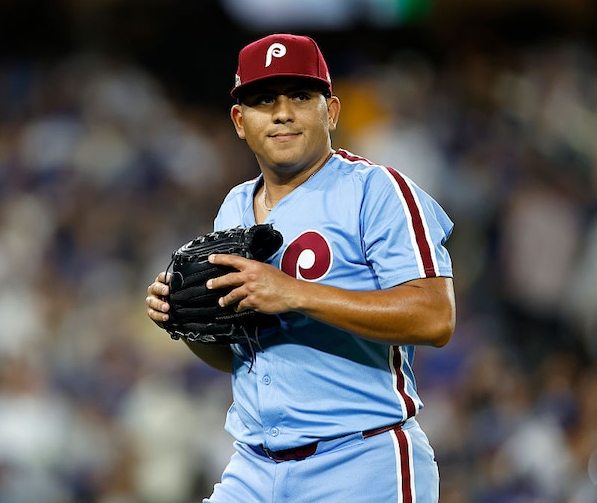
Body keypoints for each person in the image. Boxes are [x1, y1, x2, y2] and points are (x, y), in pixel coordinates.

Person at [145, 33, 456, 502]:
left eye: (300, 96)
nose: (282, 112)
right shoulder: (233, 208)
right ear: (239, 121)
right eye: (263, 99)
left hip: (360, 463)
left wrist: (294, 293)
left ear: (330, 111)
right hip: (254, 465)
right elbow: (242, 356)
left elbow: (435, 317)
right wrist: (185, 322)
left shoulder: (377, 191)